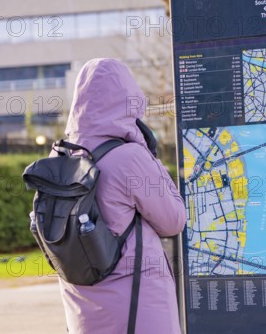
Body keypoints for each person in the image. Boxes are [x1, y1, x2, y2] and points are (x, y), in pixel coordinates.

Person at [59, 58, 186, 334]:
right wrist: (147, 154)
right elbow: (173, 221)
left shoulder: (62, 158)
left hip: (82, 311)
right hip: (138, 310)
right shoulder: (129, 157)